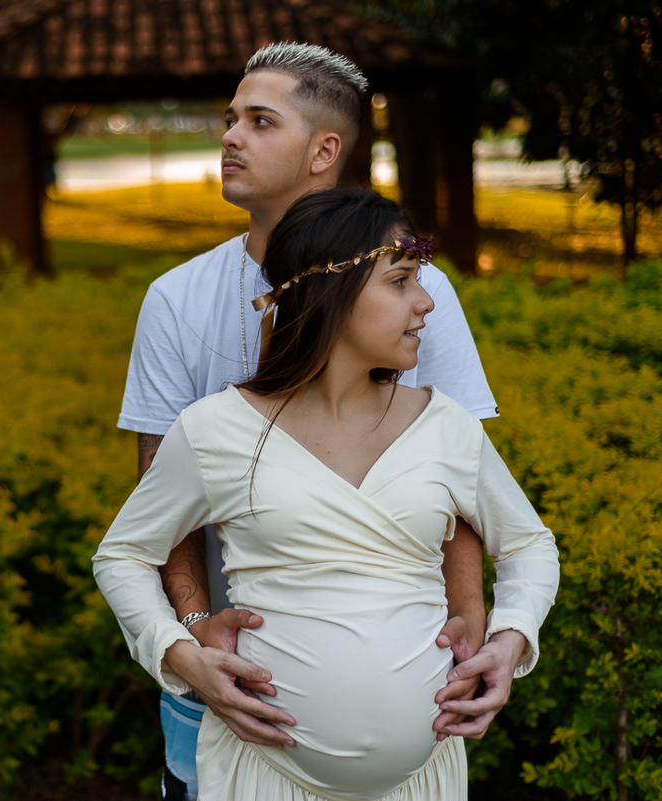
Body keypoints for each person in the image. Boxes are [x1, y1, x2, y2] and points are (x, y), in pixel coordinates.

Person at [118, 43, 500, 800]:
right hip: (226, 698)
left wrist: (470, 621)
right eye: (231, 119)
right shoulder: (175, 299)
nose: (230, 137)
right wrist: (194, 629)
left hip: (411, 710)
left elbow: (464, 486)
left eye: (260, 122)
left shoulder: (426, 294)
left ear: (326, 150)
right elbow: (158, 511)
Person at [95, 187, 560, 800]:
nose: (425, 303)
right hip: (260, 777)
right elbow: (123, 554)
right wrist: (181, 651)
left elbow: (528, 543)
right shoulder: (217, 430)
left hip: (424, 783)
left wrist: (510, 638)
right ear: (329, 295)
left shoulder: (445, 425)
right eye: (400, 281)